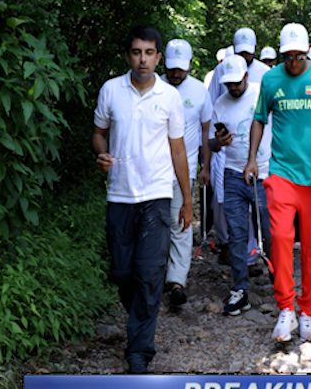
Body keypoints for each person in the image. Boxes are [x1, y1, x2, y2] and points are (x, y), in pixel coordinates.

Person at [92, 25, 192, 373]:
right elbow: (99, 133)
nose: (143, 59)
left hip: (157, 196)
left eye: (149, 53)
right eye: (137, 52)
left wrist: (187, 200)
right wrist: (102, 154)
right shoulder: (111, 90)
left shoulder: (169, 97)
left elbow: (178, 149)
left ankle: (139, 353)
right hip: (120, 195)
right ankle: (138, 318)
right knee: (122, 272)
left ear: (159, 57)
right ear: (128, 56)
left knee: (150, 274)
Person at [244, 23, 311, 343]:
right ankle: (285, 309)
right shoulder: (271, 79)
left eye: (298, 57)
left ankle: (307, 312)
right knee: (279, 237)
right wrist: (251, 159)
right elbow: (259, 119)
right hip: (281, 173)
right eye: (287, 57)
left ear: (307, 52)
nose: (293, 63)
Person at [209, 55, 273, 316]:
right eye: (229, 84)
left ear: (246, 77)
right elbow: (211, 144)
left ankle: (280, 280)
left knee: (271, 230)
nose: (233, 88)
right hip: (233, 172)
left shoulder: (261, 94)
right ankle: (240, 287)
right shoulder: (220, 104)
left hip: (265, 171)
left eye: (237, 83)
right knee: (236, 233)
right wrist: (219, 142)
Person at [161, 38, 213, 307]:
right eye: (172, 68)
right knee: (158, 224)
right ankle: (156, 273)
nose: (176, 74)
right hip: (155, 169)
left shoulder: (199, 91)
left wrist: (205, 166)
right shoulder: (155, 87)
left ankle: (177, 280)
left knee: (181, 222)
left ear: (190, 66)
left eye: (180, 69)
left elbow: (206, 131)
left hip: (186, 168)